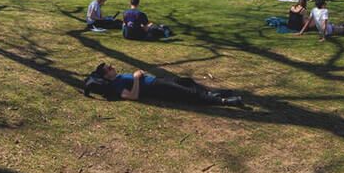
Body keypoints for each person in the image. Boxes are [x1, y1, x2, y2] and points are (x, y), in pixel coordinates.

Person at [83, 63, 243, 107]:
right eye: (109, 68)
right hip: (157, 89)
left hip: (157, 81)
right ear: (107, 76)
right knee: (190, 95)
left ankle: (212, 93)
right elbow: (132, 96)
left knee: (186, 81)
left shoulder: (117, 77)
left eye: (110, 65)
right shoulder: (116, 85)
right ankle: (226, 101)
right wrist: (137, 79)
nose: (112, 67)